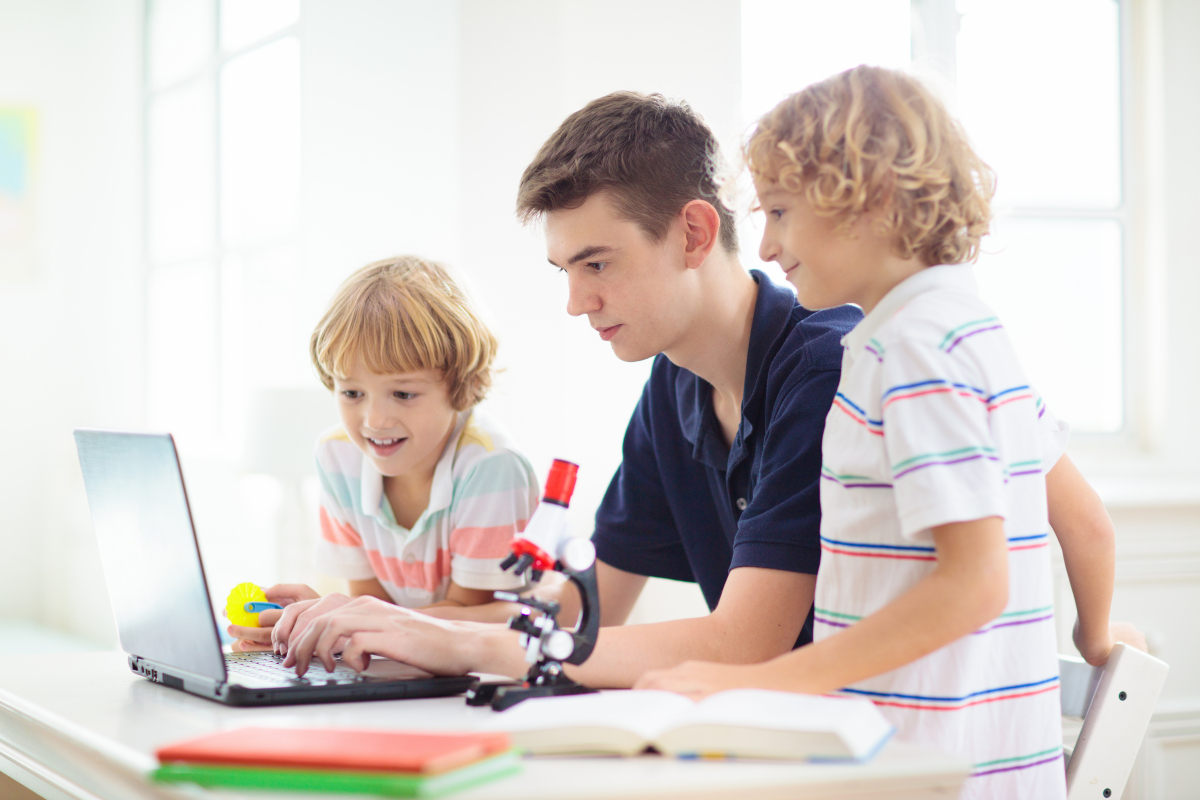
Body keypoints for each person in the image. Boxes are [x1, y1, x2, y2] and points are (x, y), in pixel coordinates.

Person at [271, 90, 1139, 693]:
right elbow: (586, 603)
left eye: (597, 264)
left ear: (692, 231)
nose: (576, 302)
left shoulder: (841, 367)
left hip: (858, 747)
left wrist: (456, 641)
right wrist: (384, 619)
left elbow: (744, 641)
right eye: (564, 270)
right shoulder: (672, 385)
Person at [635, 66, 1132, 797]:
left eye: (780, 211)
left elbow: (974, 584)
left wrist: (773, 684)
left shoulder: (911, 350)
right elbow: (1088, 524)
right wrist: (1097, 636)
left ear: (865, 200)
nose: (766, 246)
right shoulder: (966, 330)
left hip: (925, 774)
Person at [227, 256, 539, 650]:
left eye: (404, 394)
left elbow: (465, 623)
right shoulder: (338, 457)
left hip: (490, 669)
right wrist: (322, 619)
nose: (374, 419)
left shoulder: (490, 467)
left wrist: (343, 619)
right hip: (413, 662)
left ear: (465, 386)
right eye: (352, 393)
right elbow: (372, 610)